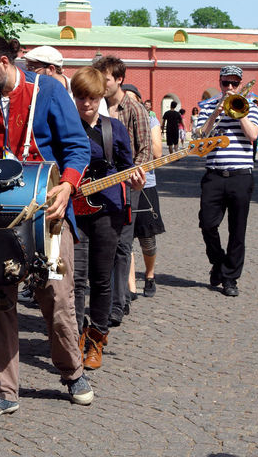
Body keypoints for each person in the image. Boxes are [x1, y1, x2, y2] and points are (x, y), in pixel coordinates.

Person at [0, 32, 93, 419]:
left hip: (47, 215)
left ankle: (72, 373)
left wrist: (68, 186)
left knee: (56, 296)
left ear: (5, 62)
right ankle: (2, 390)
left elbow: (76, 145)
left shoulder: (49, 90)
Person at [70, 68, 143, 371]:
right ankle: (72, 336)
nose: (86, 103)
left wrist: (136, 180)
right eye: (80, 97)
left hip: (107, 210)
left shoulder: (114, 128)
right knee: (73, 280)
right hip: (72, 210)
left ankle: (97, 338)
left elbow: (128, 167)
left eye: (92, 97)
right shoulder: (66, 127)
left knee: (101, 279)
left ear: (101, 97)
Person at [92, 59, 152, 327]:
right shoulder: (100, 105)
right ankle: (108, 300)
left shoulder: (134, 108)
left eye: (105, 79)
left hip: (128, 185)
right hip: (101, 186)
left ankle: (119, 303)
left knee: (122, 245)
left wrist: (129, 176)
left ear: (118, 79)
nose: (101, 84)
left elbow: (145, 150)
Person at [194, 65, 258, 297]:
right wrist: (216, 113)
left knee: (237, 230)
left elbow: (252, 136)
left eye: (234, 84)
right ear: (220, 83)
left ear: (240, 84)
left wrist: (238, 111)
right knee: (207, 224)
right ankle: (219, 263)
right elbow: (199, 137)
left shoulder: (250, 105)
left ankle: (230, 278)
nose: (230, 88)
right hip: (214, 174)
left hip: (241, 175)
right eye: (226, 83)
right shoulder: (208, 106)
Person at [122, 86, 166, 299]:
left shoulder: (150, 120)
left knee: (147, 238)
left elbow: (157, 153)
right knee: (125, 238)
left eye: (133, 100)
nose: (128, 104)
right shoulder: (115, 117)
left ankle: (149, 275)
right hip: (122, 185)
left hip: (146, 184)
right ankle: (129, 286)